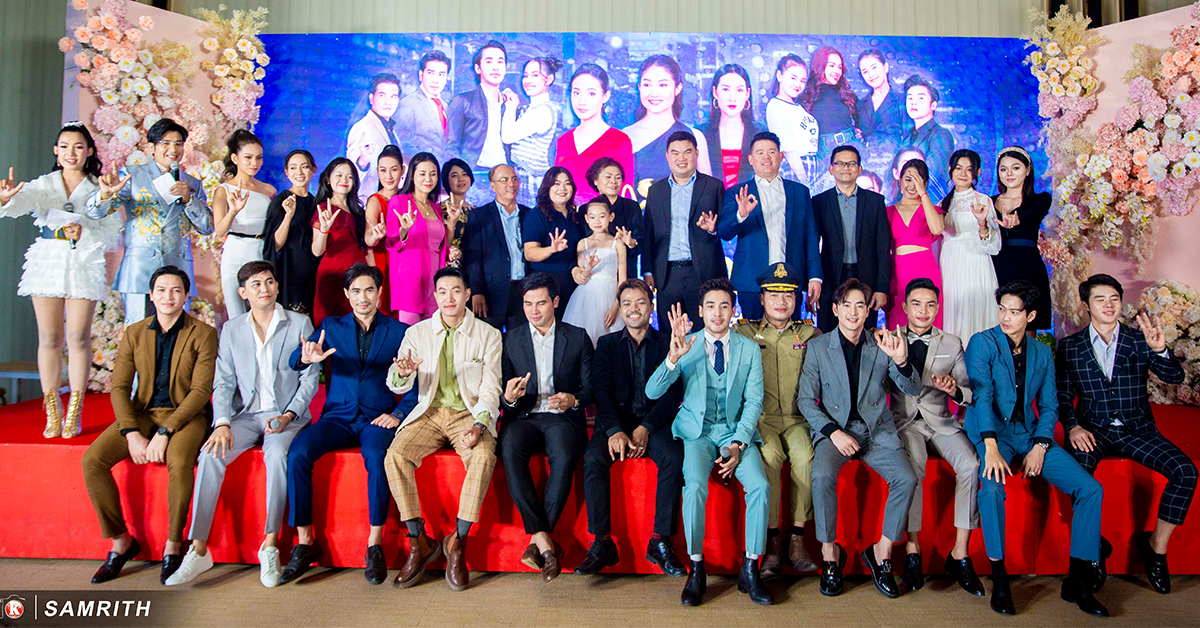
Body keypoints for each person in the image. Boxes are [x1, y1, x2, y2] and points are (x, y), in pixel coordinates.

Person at [164, 261, 319, 588]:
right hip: (246, 416)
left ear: (277, 286)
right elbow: (223, 383)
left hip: (286, 416)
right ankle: (199, 549)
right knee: (210, 455)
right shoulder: (232, 329)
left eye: (269, 282)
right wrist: (222, 423)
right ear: (243, 293)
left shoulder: (299, 323)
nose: (265, 289)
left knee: (276, 456)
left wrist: (289, 415)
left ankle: (270, 545)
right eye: (256, 284)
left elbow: (310, 378)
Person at [965, 280, 1107, 617]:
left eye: (1014, 312)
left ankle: (1077, 581)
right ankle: (1000, 579)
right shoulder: (982, 343)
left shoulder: (1042, 352)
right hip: (992, 433)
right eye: (1002, 309)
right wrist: (990, 446)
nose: (1005, 317)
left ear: (1030, 316)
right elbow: (982, 395)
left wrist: (1041, 445)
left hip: (1029, 434)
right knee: (992, 489)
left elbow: (1050, 405)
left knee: (1090, 489)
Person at [280, 263, 417, 586]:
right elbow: (295, 360)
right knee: (298, 452)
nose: (362, 297)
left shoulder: (399, 331)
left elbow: (417, 384)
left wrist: (398, 414)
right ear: (346, 294)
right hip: (337, 417)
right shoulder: (331, 326)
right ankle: (305, 541)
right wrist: (306, 357)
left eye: (369, 290)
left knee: (377, 456)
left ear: (380, 292)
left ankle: (374, 544)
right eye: (356, 291)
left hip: (377, 417)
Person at [1058, 274, 1193, 595]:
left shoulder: (1139, 339)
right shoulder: (1070, 346)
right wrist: (1073, 426)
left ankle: (1156, 549)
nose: (1108, 305)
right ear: (1086, 305)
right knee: (1076, 478)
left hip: (1138, 430)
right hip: (1092, 431)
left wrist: (1160, 350)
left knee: (1186, 472)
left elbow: (1175, 377)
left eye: (1114, 299)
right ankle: (1095, 548)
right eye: (1100, 299)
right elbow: (1062, 395)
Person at [82, 266, 217, 585]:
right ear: (152, 295)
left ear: (186, 295)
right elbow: (119, 387)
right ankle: (121, 541)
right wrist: (131, 433)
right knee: (92, 461)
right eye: (161, 290)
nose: (168, 296)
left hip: (187, 415)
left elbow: (200, 391)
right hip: (142, 413)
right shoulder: (135, 332)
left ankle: (173, 545)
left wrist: (166, 431)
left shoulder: (203, 333)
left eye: (176, 290)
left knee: (180, 462)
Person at [647, 280, 772, 607]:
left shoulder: (748, 348)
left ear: (733, 310)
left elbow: (754, 402)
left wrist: (739, 443)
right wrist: (672, 358)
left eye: (724, 306)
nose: (718, 313)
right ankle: (696, 567)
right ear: (701, 311)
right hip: (698, 433)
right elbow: (652, 392)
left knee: (760, 486)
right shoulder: (686, 344)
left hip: (734, 432)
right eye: (711, 306)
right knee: (694, 488)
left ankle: (751, 568)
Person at [798, 278, 920, 599]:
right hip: (835, 430)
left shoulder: (881, 344)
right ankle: (830, 555)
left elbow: (912, 389)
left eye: (860, 306)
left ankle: (880, 553)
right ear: (835, 309)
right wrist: (833, 433)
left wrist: (901, 360)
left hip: (876, 430)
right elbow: (806, 401)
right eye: (847, 305)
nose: (853, 312)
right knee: (821, 475)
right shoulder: (818, 347)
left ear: (868, 311)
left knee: (906, 478)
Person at [384, 267, 502, 591]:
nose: (449, 298)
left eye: (456, 291)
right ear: (434, 296)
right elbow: (397, 383)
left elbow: (491, 388)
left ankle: (457, 542)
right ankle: (418, 541)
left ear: (467, 294)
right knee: (395, 455)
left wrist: (480, 424)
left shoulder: (489, 335)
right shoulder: (417, 333)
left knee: (483, 456)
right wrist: (402, 373)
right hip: (429, 412)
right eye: (442, 292)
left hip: (468, 413)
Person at [0, 123, 120, 438]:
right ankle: (52, 410)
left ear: (89, 151)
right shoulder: (44, 184)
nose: (71, 153)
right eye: (65, 146)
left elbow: (112, 235)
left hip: (83, 262)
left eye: (78, 147)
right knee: (49, 337)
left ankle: (75, 411)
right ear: (56, 151)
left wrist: (85, 232)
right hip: (48, 261)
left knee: (78, 337)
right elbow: (17, 205)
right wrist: (5, 198)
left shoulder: (99, 187)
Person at [576, 279, 686, 576]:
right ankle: (601, 542)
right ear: (620, 309)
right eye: (626, 304)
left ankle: (660, 541)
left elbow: (674, 393)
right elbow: (601, 391)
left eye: (640, 302)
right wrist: (614, 430)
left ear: (651, 307)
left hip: (656, 422)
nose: (633, 309)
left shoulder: (668, 343)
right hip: (617, 422)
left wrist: (647, 427)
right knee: (593, 457)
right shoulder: (607, 344)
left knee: (673, 456)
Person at [888, 278, 983, 596]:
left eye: (930, 304)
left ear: (938, 308)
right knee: (914, 467)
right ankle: (912, 550)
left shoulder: (952, 343)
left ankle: (960, 553)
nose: (923, 310)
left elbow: (969, 392)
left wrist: (954, 390)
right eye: (916, 304)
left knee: (970, 464)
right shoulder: (891, 339)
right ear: (905, 307)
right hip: (906, 423)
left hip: (942, 422)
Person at [498, 272, 593, 583]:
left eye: (541, 303)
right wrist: (509, 398)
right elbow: (502, 395)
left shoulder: (577, 337)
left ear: (556, 302)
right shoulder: (510, 339)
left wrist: (574, 400)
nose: (534, 310)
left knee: (564, 455)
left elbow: (591, 389)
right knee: (510, 449)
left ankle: (537, 541)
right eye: (528, 304)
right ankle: (545, 543)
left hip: (561, 417)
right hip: (524, 417)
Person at [732, 263, 821, 577]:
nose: (781, 301)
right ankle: (772, 542)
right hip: (762, 419)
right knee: (769, 457)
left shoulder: (809, 334)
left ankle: (796, 539)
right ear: (761, 298)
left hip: (798, 419)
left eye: (788, 295)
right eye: (773, 295)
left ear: (797, 300)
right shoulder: (744, 333)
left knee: (806, 458)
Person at [86, 117, 213, 324]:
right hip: (140, 270)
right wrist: (105, 195)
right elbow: (95, 213)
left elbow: (207, 227)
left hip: (177, 268)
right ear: (152, 147)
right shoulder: (132, 175)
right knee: (139, 332)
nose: (173, 149)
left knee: (176, 332)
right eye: (165, 143)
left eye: (178, 143)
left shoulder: (192, 184)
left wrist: (190, 200)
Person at [717, 131, 822, 321]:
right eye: (760, 152)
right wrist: (741, 215)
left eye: (771, 152)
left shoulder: (800, 192)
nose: (766, 157)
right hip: (751, 280)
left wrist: (815, 277)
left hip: (791, 279)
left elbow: (810, 237)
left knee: (791, 336)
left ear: (781, 156)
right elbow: (724, 232)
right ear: (750, 159)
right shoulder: (737, 192)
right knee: (753, 335)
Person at [642, 131, 727, 332]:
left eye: (687, 152)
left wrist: (714, 229)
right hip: (667, 275)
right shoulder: (656, 190)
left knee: (706, 332)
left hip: (704, 273)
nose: (681, 158)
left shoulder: (713, 186)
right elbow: (648, 234)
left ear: (696, 154)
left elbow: (727, 228)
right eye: (675, 153)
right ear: (667, 156)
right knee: (669, 333)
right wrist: (647, 271)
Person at [811, 145, 891, 333]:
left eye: (851, 164)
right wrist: (813, 281)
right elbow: (812, 245)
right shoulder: (820, 202)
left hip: (866, 277)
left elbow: (883, 247)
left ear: (859, 169)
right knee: (828, 330)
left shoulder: (875, 201)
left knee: (865, 331)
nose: (845, 168)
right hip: (831, 276)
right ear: (831, 169)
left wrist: (881, 288)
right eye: (840, 163)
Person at [624, 55, 713, 197]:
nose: (654, 93)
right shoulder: (624, 137)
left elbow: (708, 196)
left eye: (663, 85)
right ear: (639, 87)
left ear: (678, 88)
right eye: (647, 85)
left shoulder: (694, 137)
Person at [384, 152, 455, 324]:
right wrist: (404, 230)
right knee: (411, 336)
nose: (428, 179)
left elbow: (438, 248)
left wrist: (452, 223)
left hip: (435, 284)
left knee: (434, 336)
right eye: (422, 173)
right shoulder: (399, 202)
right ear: (412, 175)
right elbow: (391, 243)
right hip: (411, 284)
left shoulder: (437, 209)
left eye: (433, 174)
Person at [940, 149, 1001, 344]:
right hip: (950, 264)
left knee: (976, 310)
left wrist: (982, 224)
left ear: (978, 172)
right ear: (950, 169)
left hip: (976, 262)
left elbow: (994, 245)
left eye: (969, 169)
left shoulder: (984, 201)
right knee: (953, 311)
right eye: (959, 168)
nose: (963, 174)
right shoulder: (942, 204)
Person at [213, 130, 275, 319]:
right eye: (248, 157)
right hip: (235, 253)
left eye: (258, 157)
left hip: (261, 251)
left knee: (263, 313)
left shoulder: (269, 190)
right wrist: (233, 211)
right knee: (237, 314)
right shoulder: (224, 190)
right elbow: (219, 231)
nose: (254, 163)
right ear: (235, 158)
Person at [554, 63, 635, 205]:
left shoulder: (619, 141)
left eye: (591, 94)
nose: (581, 101)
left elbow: (625, 195)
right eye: (576, 93)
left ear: (605, 96)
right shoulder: (564, 140)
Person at [992, 146, 1052, 331]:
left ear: (1027, 170)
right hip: (996, 266)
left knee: (1027, 326)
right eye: (1003, 169)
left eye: (1016, 168)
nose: (1009, 173)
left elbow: (1032, 215)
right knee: (997, 325)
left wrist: (1017, 220)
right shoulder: (988, 201)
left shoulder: (1040, 199)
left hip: (1027, 267)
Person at [463, 164, 530, 331]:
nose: (511, 184)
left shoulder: (529, 214)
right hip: (492, 293)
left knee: (520, 342)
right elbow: (473, 258)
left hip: (523, 291)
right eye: (504, 180)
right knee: (489, 342)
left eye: (514, 179)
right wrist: (477, 291)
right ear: (493, 185)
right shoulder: (479, 216)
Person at [310, 157, 370, 324]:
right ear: (328, 179)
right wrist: (324, 229)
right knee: (330, 330)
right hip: (333, 281)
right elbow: (316, 251)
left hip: (357, 284)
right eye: (339, 175)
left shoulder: (358, 213)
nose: (344, 180)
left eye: (349, 176)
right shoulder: (324, 209)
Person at [886, 158, 944, 327]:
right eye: (908, 179)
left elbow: (937, 229)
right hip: (897, 272)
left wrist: (923, 194)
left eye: (918, 180)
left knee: (927, 318)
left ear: (925, 183)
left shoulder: (932, 210)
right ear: (900, 180)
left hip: (925, 268)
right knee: (898, 322)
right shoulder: (887, 212)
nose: (912, 186)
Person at [262, 149, 320, 315]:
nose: (299, 172)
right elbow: (275, 246)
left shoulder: (316, 203)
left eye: (304, 167)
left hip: (314, 271)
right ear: (286, 172)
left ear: (313, 169)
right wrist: (288, 216)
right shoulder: (281, 202)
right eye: (293, 168)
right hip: (291, 271)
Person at [563, 200, 627, 345]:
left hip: (611, 294)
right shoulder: (582, 244)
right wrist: (587, 269)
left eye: (601, 216)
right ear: (586, 219)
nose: (597, 221)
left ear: (611, 217)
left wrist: (617, 306)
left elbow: (622, 279)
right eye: (592, 217)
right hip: (586, 296)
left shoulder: (618, 244)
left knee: (611, 341)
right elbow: (582, 277)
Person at [522, 167, 582, 317]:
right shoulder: (536, 216)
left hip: (573, 281)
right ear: (547, 188)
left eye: (567, 183)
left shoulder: (576, 216)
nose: (562, 188)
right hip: (546, 284)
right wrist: (551, 249)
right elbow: (530, 253)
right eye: (556, 184)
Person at [448, 39, 508, 171]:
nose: (495, 67)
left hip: (505, 173)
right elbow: (451, 146)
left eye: (500, 62)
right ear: (478, 68)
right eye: (489, 61)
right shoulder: (462, 101)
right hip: (476, 172)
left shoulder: (509, 104)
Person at [503, 56, 562, 190]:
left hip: (532, 179)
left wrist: (511, 106)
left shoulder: (542, 110)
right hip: (524, 175)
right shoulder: (532, 108)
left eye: (535, 75)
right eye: (526, 75)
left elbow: (507, 137)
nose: (528, 81)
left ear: (549, 79)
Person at [800, 47, 860, 170]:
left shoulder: (848, 95)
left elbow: (861, 124)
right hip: (824, 154)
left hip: (851, 147)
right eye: (832, 65)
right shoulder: (805, 99)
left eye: (840, 67)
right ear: (820, 66)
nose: (837, 71)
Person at [765, 54, 820, 186]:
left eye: (802, 81)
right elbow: (789, 150)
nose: (798, 84)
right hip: (794, 167)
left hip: (810, 166)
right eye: (793, 78)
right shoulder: (775, 106)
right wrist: (804, 181)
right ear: (780, 76)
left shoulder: (798, 107)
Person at [703, 64, 760, 189]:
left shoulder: (760, 134)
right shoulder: (701, 135)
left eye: (739, 90)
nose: (732, 98)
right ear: (715, 92)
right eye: (726, 90)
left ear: (747, 94)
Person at [347, 73, 401, 202]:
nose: (388, 102)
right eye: (382, 95)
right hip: (369, 202)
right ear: (371, 99)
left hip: (389, 202)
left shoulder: (391, 129)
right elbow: (350, 175)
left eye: (393, 96)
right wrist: (362, 161)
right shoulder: (362, 127)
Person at [585, 157, 643, 276]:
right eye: (608, 177)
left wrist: (631, 243)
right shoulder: (585, 210)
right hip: (596, 273)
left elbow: (642, 243)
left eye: (617, 177)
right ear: (595, 180)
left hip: (627, 272)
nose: (613, 181)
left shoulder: (631, 207)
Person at [364, 144, 405, 313]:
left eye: (394, 170)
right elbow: (368, 239)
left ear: (402, 171)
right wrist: (375, 236)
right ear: (377, 172)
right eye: (383, 170)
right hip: (384, 265)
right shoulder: (375, 200)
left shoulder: (407, 199)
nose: (388, 176)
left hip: (405, 264)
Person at [903, 75, 955, 201]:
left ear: (933, 105)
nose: (913, 102)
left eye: (920, 98)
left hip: (930, 203)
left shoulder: (940, 135)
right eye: (910, 98)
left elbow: (933, 176)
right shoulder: (906, 138)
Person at [396, 51, 451, 162]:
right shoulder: (408, 104)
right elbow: (401, 144)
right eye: (431, 73)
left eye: (441, 74)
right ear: (421, 75)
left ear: (446, 79)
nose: (436, 80)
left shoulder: (446, 106)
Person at [856, 49, 911, 148]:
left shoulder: (902, 101)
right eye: (865, 71)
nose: (871, 75)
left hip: (895, 156)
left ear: (885, 67)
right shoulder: (861, 105)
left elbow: (909, 138)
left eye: (874, 67)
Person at [440, 157, 474, 268]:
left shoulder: (477, 211)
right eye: (454, 175)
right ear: (446, 180)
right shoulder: (439, 210)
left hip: (473, 269)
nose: (461, 179)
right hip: (449, 269)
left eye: (464, 174)